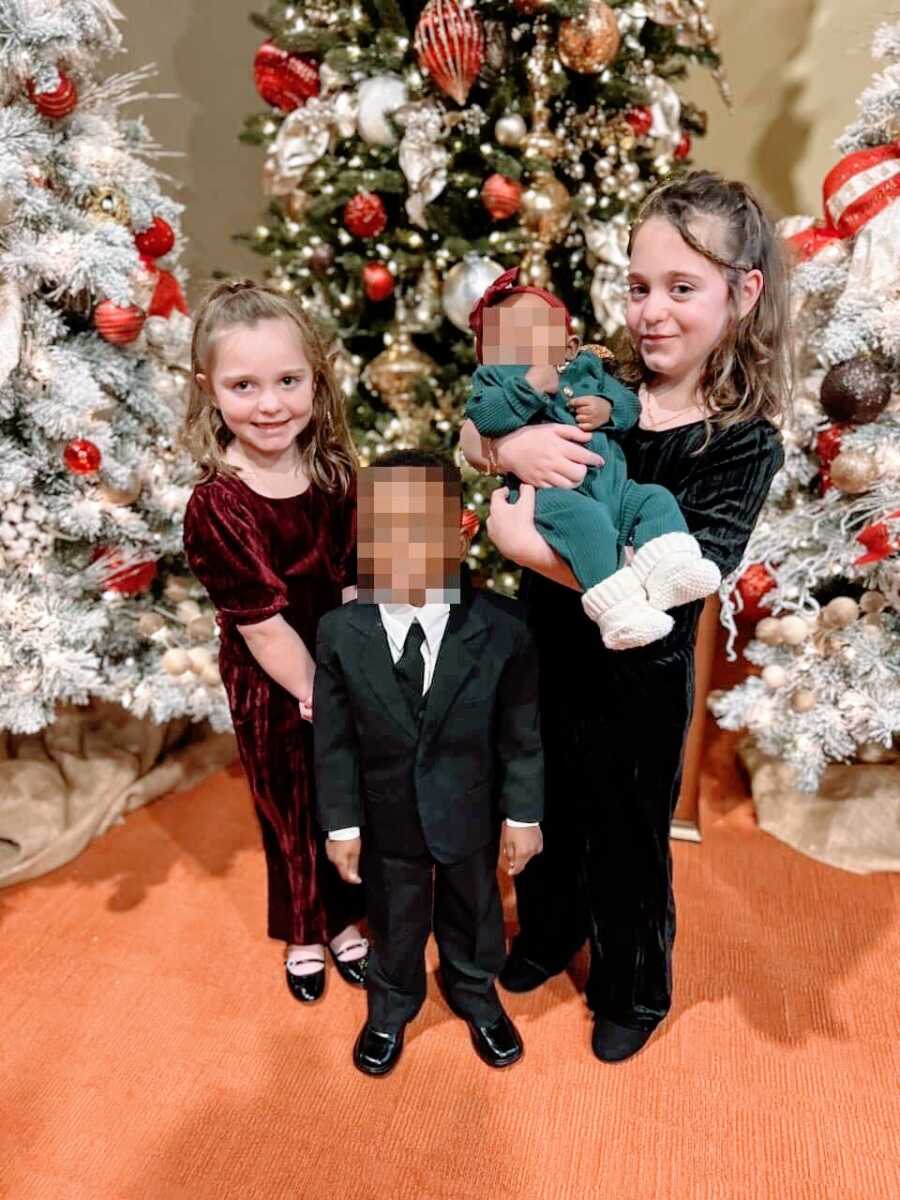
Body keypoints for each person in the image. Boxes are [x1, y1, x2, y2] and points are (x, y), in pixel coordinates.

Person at [459, 171, 790, 1062]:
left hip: (640, 672)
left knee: (627, 833)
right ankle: (545, 933)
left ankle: (632, 985)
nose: (652, 311)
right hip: (546, 650)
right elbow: (479, 417)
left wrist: (527, 548)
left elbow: (695, 571)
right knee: (549, 804)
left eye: (682, 289)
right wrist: (503, 444)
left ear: (742, 293)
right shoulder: (596, 379)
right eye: (639, 286)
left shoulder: (743, 439)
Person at [313, 450, 544, 1077]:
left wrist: (523, 815)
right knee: (394, 918)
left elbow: (521, 734)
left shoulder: (505, 629)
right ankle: (391, 1006)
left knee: (476, 914)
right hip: (387, 820)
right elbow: (332, 742)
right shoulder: (339, 632)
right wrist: (342, 826)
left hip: (470, 811)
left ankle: (476, 993)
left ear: (461, 532)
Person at [182, 280, 368, 1005]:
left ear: (315, 380)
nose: (270, 405)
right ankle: (304, 932)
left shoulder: (332, 474)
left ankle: (349, 917)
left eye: (288, 381)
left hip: (341, 667)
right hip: (275, 680)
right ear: (210, 389)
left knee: (347, 797)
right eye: (244, 385)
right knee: (291, 806)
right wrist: (315, 692)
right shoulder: (219, 504)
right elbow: (261, 624)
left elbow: (356, 579)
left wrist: (359, 675)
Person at [466, 268, 721, 649]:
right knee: (586, 522)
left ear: (569, 348)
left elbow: (628, 405)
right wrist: (525, 396)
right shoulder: (495, 381)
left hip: (616, 492)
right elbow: (482, 420)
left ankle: (667, 567)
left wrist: (606, 409)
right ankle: (618, 608)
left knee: (654, 499)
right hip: (552, 499)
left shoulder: (589, 371)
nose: (520, 343)